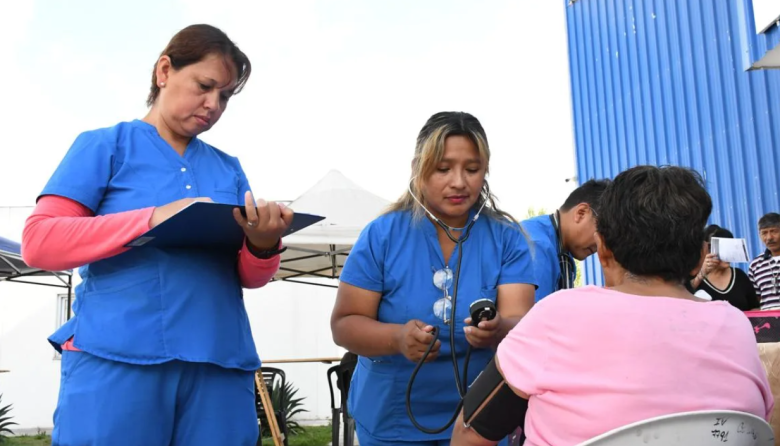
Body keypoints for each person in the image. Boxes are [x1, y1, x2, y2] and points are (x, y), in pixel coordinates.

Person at [21, 25, 292, 446]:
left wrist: (262, 243)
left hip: (219, 363)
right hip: (117, 360)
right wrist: (151, 218)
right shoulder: (105, 146)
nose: (213, 105)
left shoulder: (228, 168)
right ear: (164, 70)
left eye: (225, 96)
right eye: (205, 86)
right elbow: (41, 242)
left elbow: (250, 276)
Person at [452, 165, 773, 446]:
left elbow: (471, 432)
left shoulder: (558, 315)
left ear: (603, 250)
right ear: (698, 259)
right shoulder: (738, 328)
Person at [330, 111, 537, 446]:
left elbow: (523, 324)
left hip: (480, 419)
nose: (459, 182)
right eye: (443, 168)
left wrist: (498, 329)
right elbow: (344, 325)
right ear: (418, 169)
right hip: (391, 419)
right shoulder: (381, 235)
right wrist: (397, 338)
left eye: (472, 169)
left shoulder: (506, 237)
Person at [520, 179, 609, 301]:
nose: (602, 244)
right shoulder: (537, 247)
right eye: (604, 232)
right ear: (581, 213)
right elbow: (533, 318)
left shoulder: (563, 252)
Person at [689, 225, 760, 311]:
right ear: (707, 250)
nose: (727, 254)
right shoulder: (694, 275)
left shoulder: (740, 276)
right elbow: (682, 297)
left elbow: (755, 308)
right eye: (721, 248)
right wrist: (701, 274)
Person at [748, 212, 780, 310]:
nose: (769, 238)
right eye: (764, 233)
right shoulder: (755, 265)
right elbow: (755, 301)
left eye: (773, 231)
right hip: (769, 323)